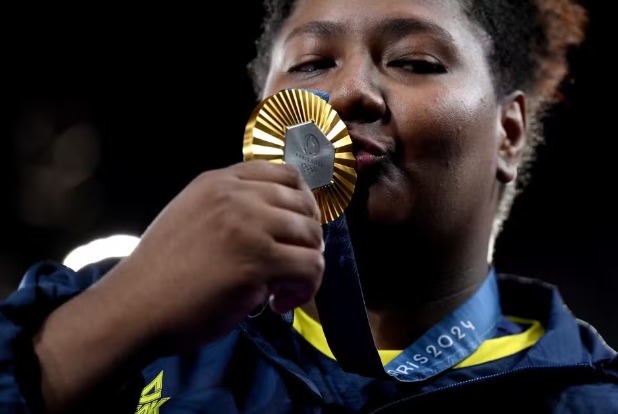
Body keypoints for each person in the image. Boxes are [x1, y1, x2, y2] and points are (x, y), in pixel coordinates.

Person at [1, 0, 617, 413]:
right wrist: (119, 314)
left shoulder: (590, 399)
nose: (348, 91)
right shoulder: (112, 318)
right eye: (313, 63)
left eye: (414, 62)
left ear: (507, 133)